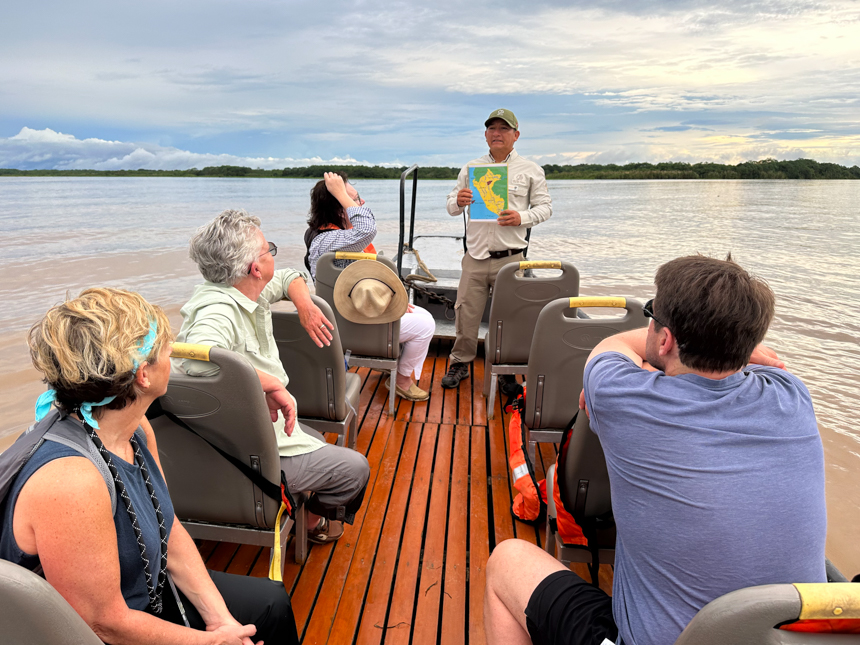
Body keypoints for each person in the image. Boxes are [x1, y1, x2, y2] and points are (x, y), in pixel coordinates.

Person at [483, 255, 827, 645]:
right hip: (786, 636)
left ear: (665, 339)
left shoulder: (620, 394)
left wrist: (651, 363)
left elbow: (610, 344)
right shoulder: (792, 396)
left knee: (507, 562)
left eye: (652, 315)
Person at [1, 287, 298, 644]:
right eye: (165, 351)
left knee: (271, 603)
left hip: (144, 594)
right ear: (144, 375)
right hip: (95, 632)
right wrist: (209, 641)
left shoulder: (136, 428)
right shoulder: (70, 481)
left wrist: (221, 622)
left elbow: (166, 526)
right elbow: (101, 623)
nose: (172, 354)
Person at [175, 209, 370, 545]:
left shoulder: (240, 289)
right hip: (246, 448)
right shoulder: (218, 311)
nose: (272, 257)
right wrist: (268, 382)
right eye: (269, 251)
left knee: (316, 441)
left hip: (238, 435)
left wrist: (305, 304)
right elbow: (195, 356)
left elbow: (288, 276)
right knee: (355, 469)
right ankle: (310, 525)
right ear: (255, 268)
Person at [442, 108, 553, 389]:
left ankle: (504, 372)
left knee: (509, 319)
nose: (497, 133)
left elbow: (545, 208)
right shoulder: (471, 168)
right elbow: (450, 206)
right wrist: (460, 201)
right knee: (465, 313)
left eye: (504, 129)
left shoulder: (531, 170)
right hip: (475, 255)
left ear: (516, 135)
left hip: (512, 259)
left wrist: (522, 217)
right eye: (492, 128)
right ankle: (460, 363)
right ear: (485, 135)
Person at [305, 171, 435, 401]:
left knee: (414, 311)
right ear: (338, 208)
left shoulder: (322, 237)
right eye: (355, 200)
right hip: (355, 325)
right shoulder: (333, 241)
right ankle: (403, 380)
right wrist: (341, 194)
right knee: (425, 323)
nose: (361, 204)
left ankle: (390, 365)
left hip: (345, 318)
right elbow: (367, 229)